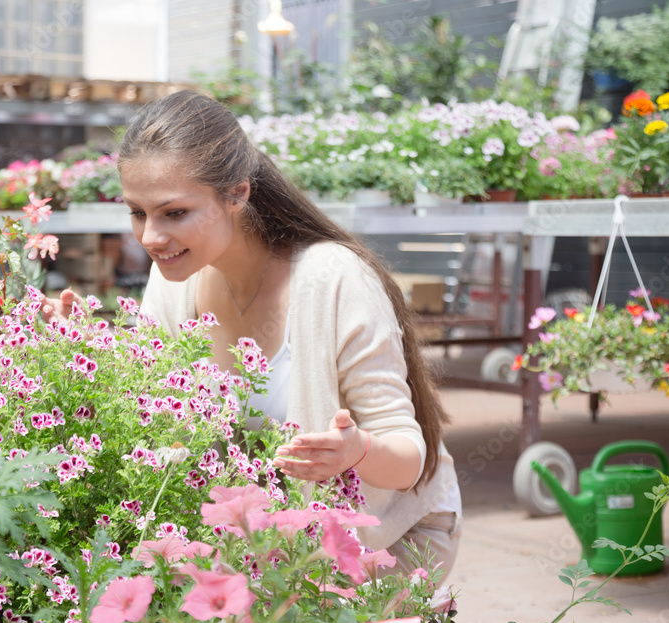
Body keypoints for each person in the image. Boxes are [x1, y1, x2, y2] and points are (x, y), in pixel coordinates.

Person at [43, 90, 461, 580]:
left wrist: (357, 451)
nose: (150, 237)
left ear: (237, 194)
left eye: (174, 213)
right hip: (266, 546)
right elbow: (153, 416)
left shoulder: (333, 280)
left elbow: (408, 461)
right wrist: (82, 349)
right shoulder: (173, 280)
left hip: (384, 539)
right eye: (138, 212)